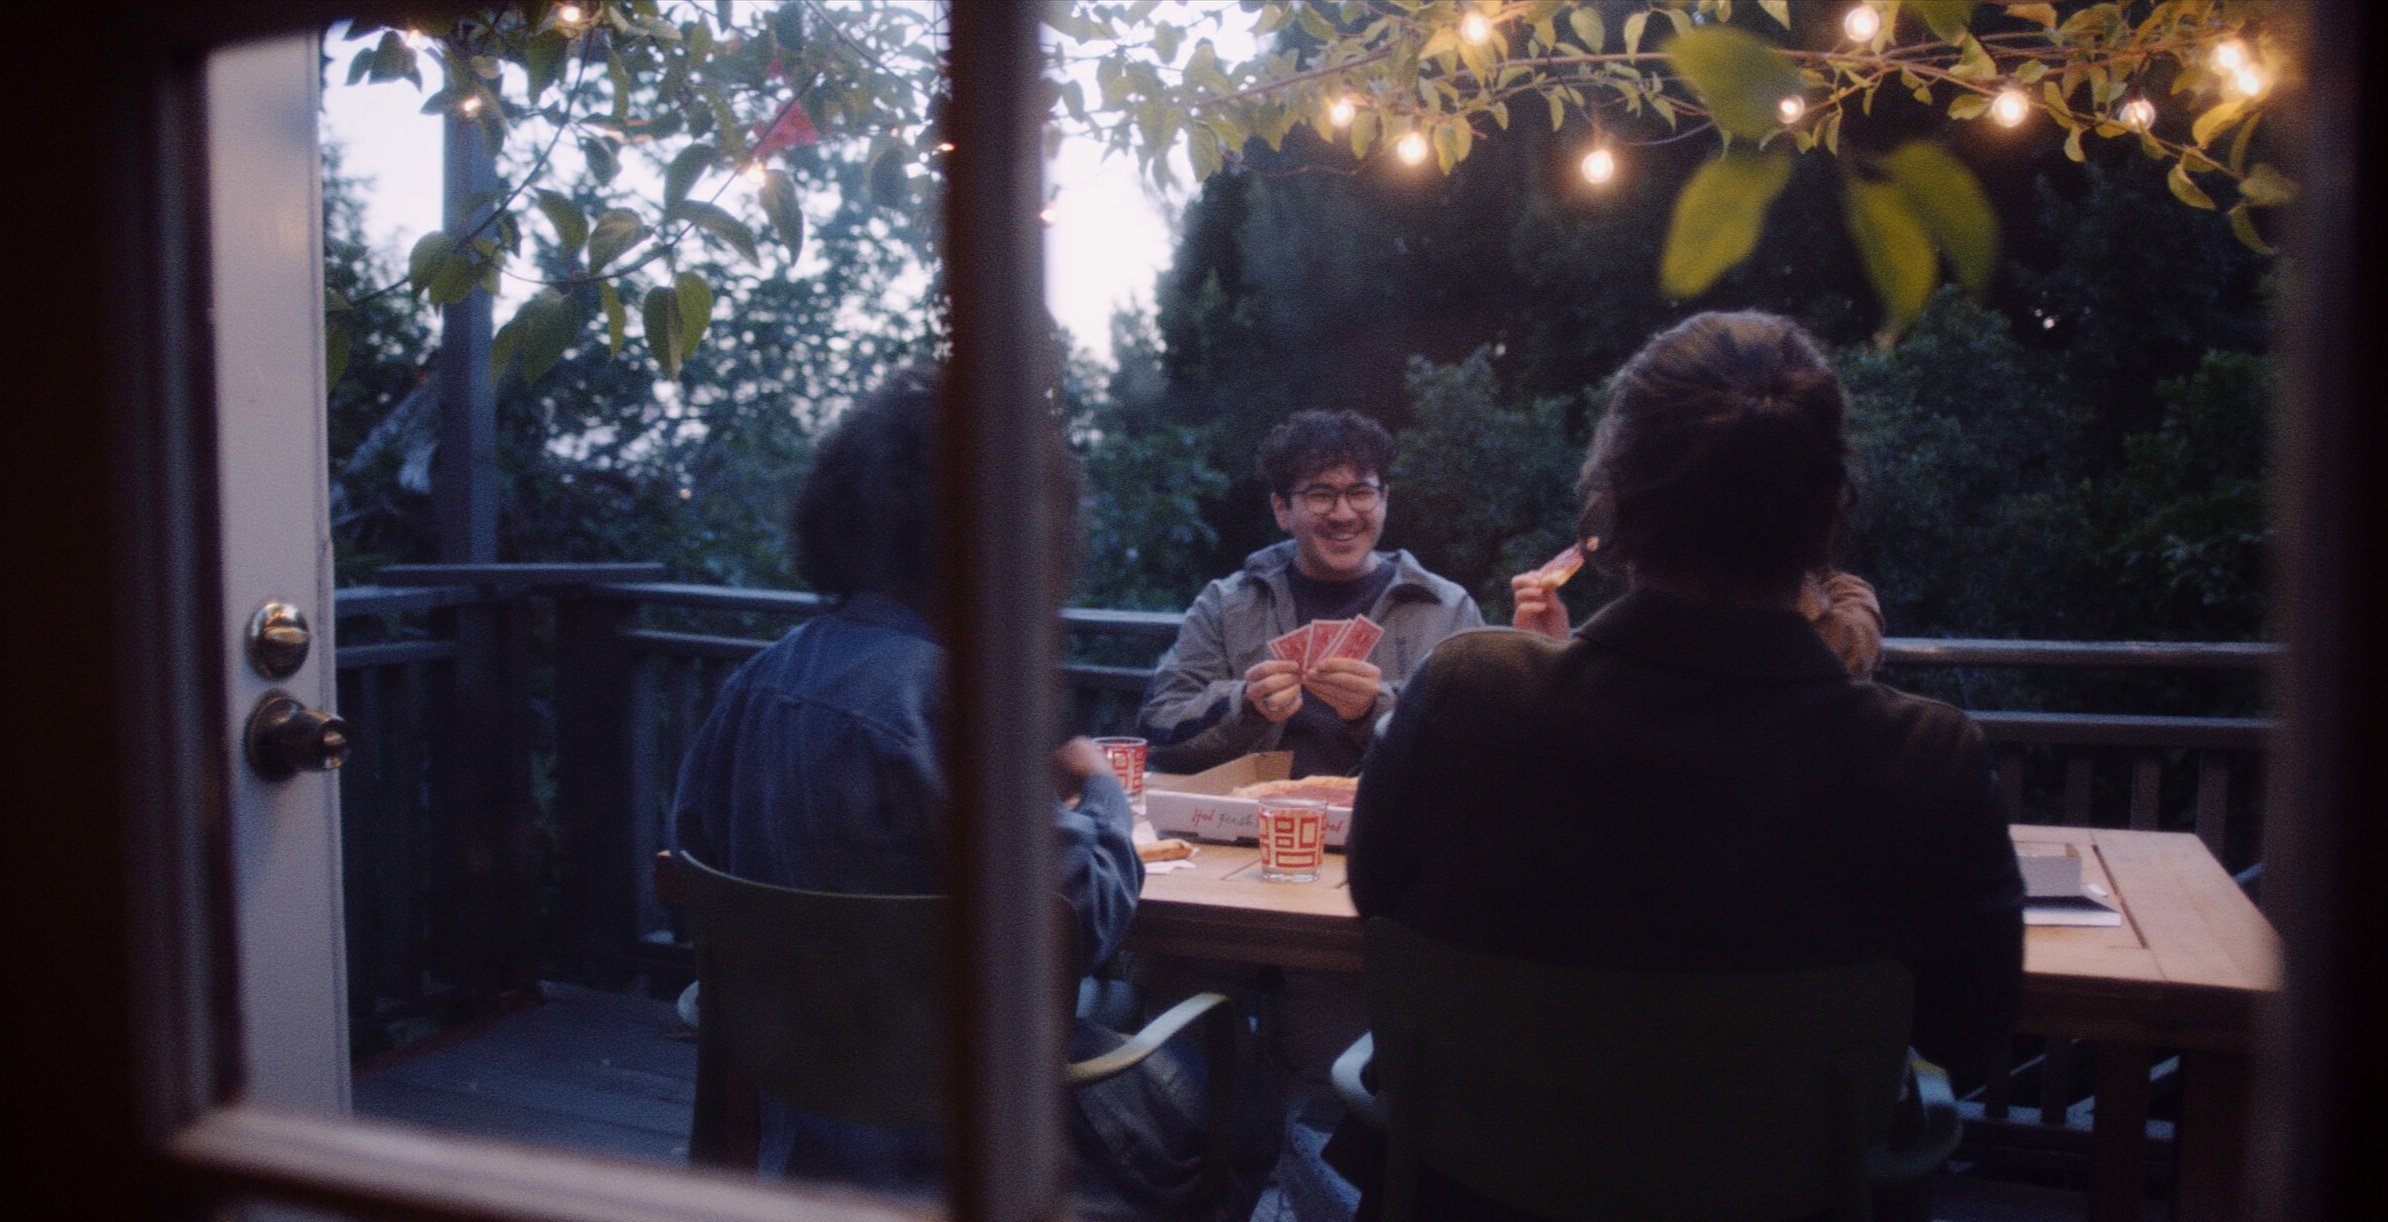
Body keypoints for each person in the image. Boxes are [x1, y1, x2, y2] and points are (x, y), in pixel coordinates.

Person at [1342, 312, 2025, 1219]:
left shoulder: (1467, 695)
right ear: (1830, 511)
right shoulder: (1930, 760)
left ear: (1615, 501)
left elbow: (1377, 898)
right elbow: (1970, 1032)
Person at [670, 368, 1274, 1218]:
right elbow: (1078, 918)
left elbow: (694, 863)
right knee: (1247, 1098)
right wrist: (1102, 790)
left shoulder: (757, 682)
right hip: (978, 1123)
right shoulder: (950, 701)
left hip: (810, 1120)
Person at [1138, 409, 1484, 778]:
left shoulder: (1448, 608)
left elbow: (1477, 749)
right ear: (1282, 509)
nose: (1343, 514)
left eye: (1361, 493)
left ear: (1384, 500)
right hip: (1251, 811)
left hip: (1388, 815)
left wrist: (1375, 709)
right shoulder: (1225, 605)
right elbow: (1158, 732)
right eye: (1320, 495)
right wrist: (1245, 707)